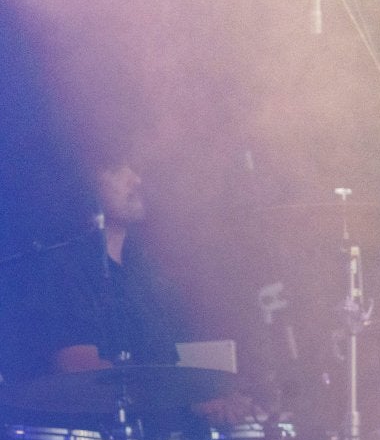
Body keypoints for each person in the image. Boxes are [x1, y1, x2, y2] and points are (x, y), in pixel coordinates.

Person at [32, 154, 256, 425]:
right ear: (87, 185)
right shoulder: (65, 267)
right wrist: (185, 395)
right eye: (117, 169)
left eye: (136, 170)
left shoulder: (145, 274)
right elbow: (78, 370)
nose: (136, 180)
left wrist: (206, 401)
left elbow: (165, 369)